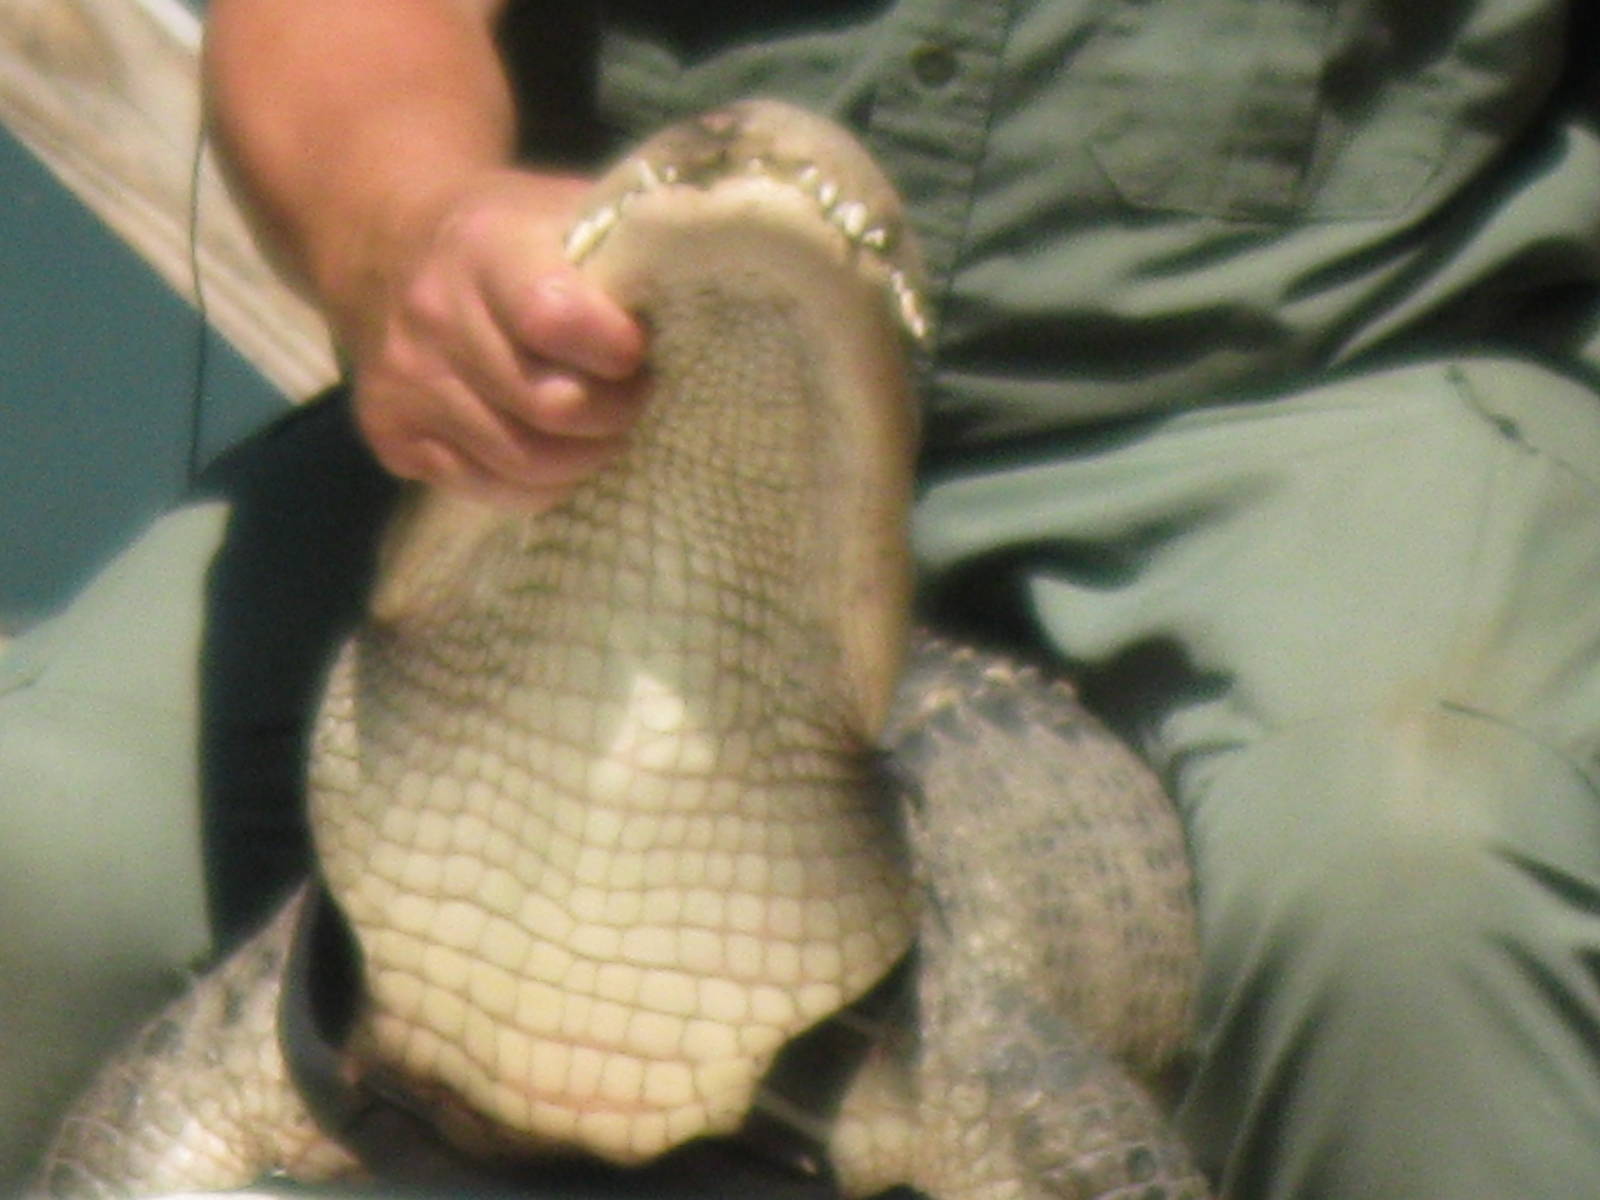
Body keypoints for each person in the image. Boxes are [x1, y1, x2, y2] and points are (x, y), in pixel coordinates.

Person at [6, 0, 1600, 1195]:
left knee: (1418, 889)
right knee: (45, 844)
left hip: (1315, 389)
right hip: (616, 359)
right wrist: (400, 226)